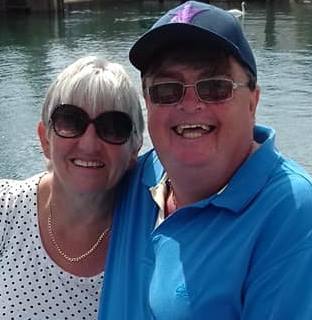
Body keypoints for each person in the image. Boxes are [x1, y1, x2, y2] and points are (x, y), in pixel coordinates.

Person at [98, 1, 312, 319]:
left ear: (253, 100)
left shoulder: (292, 214)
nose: (190, 104)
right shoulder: (136, 178)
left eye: (214, 87)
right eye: (167, 90)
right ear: (147, 102)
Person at [0, 56, 144, 319]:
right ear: (45, 138)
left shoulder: (152, 236)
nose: (89, 144)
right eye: (70, 121)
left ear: (134, 148)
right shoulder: (5, 209)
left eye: (112, 127)